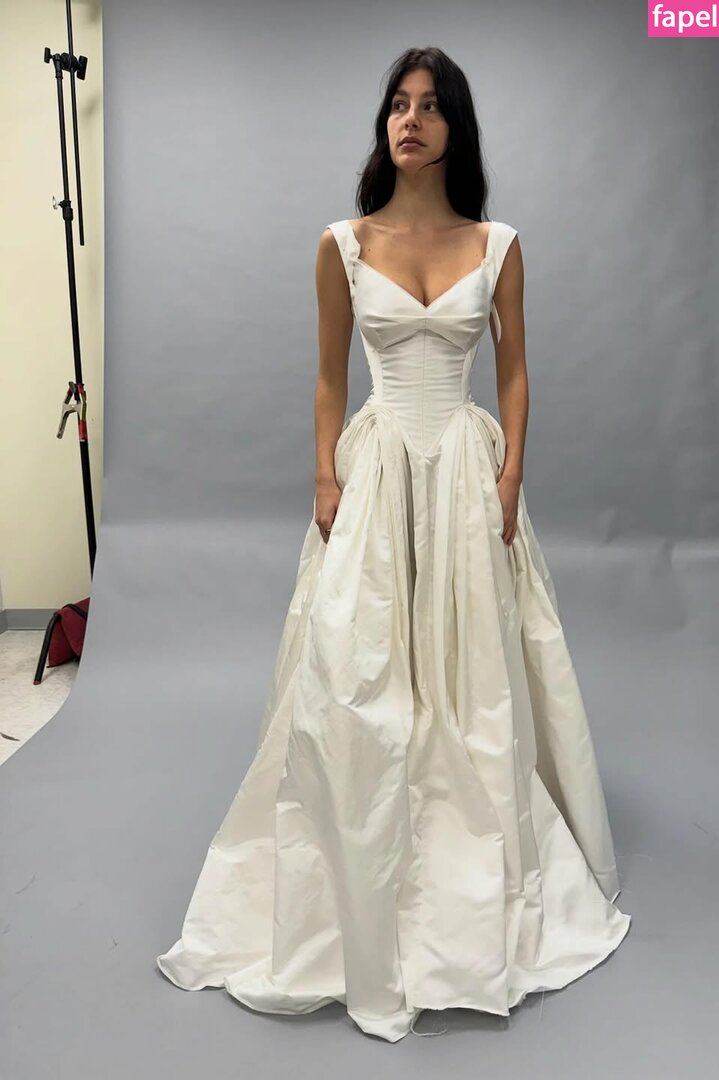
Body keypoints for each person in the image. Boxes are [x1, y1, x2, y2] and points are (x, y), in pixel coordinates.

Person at [156, 45, 631, 1043]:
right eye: (397, 105)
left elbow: (515, 371)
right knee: (354, 665)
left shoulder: (498, 245)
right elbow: (330, 376)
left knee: (474, 673)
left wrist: (512, 473)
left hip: (462, 467)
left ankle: (467, 858)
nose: (409, 120)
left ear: (456, 127)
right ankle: (353, 850)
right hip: (374, 470)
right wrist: (324, 475)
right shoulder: (342, 243)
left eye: (430, 106)